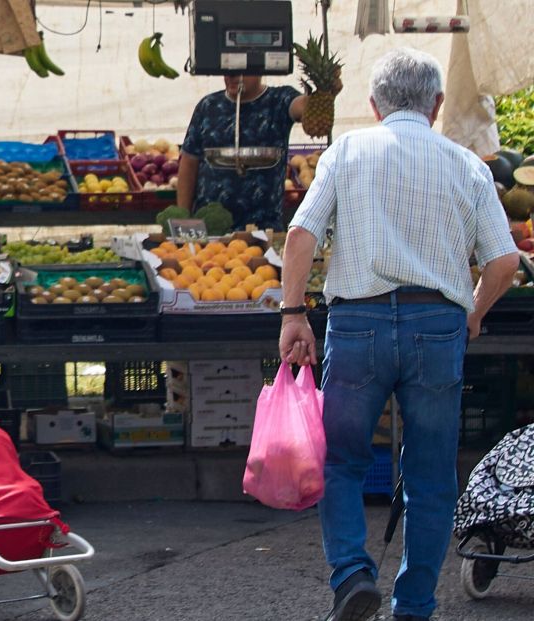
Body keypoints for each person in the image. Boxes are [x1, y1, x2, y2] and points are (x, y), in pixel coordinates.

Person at [278, 48, 519, 621]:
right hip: (436, 326)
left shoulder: (347, 151)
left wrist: (292, 315)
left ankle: (352, 575)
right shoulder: (468, 165)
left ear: (373, 105)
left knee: (341, 462)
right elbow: (505, 262)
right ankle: (413, 606)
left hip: (357, 324)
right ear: (436, 105)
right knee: (432, 477)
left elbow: (299, 239)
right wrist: (475, 313)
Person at [177, 75, 308, 230]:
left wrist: (325, 93)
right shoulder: (208, 106)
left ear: (259, 69)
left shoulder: (279, 100)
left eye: (242, 70)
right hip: (209, 231)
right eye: (228, 70)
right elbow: (189, 162)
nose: (233, 76)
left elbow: (302, 108)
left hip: (263, 228)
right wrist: (183, 219)